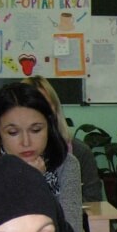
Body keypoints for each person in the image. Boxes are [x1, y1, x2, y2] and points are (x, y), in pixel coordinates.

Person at [0, 82, 83, 232]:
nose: (26, 142)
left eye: (36, 130)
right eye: (13, 132)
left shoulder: (66, 165)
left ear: (49, 127)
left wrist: (37, 183)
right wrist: (28, 182)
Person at [27, 75, 103, 203]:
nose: (38, 114)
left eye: (45, 106)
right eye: (32, 107)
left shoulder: (78, 153)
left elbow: (93, 200)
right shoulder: (5, 157)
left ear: (55, 110)